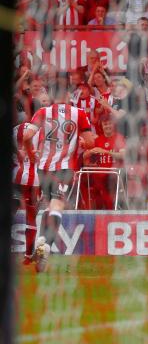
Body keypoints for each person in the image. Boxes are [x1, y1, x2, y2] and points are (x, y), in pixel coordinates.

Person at [23, 102, 95, 272]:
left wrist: (30, 152)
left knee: (49, 205)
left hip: (44, 168)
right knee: (57, 205)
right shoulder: (79, 113)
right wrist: (84, 142)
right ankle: (46, 245)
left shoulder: (42, 111)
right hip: (65, 168)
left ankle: (41, 242)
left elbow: (26, 137)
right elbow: (90, 143)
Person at [82, 114, 126, 209]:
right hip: (99, 175)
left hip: (114, 174)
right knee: (90, 179)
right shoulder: (97, 140)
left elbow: (123, 155)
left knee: (107, 184)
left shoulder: (119, 138)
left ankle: (111, 209)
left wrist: (106, 152)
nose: (108, 126)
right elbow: (85, 158)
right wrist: (90, 152)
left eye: (109, 124)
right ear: (102, 126)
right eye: (105, 124)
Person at [13, 122, 41, 266]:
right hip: (33, 181)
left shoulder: (14, 130)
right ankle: (28, 256)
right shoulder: (41, 130)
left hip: (15, 178)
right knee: (31, 217)